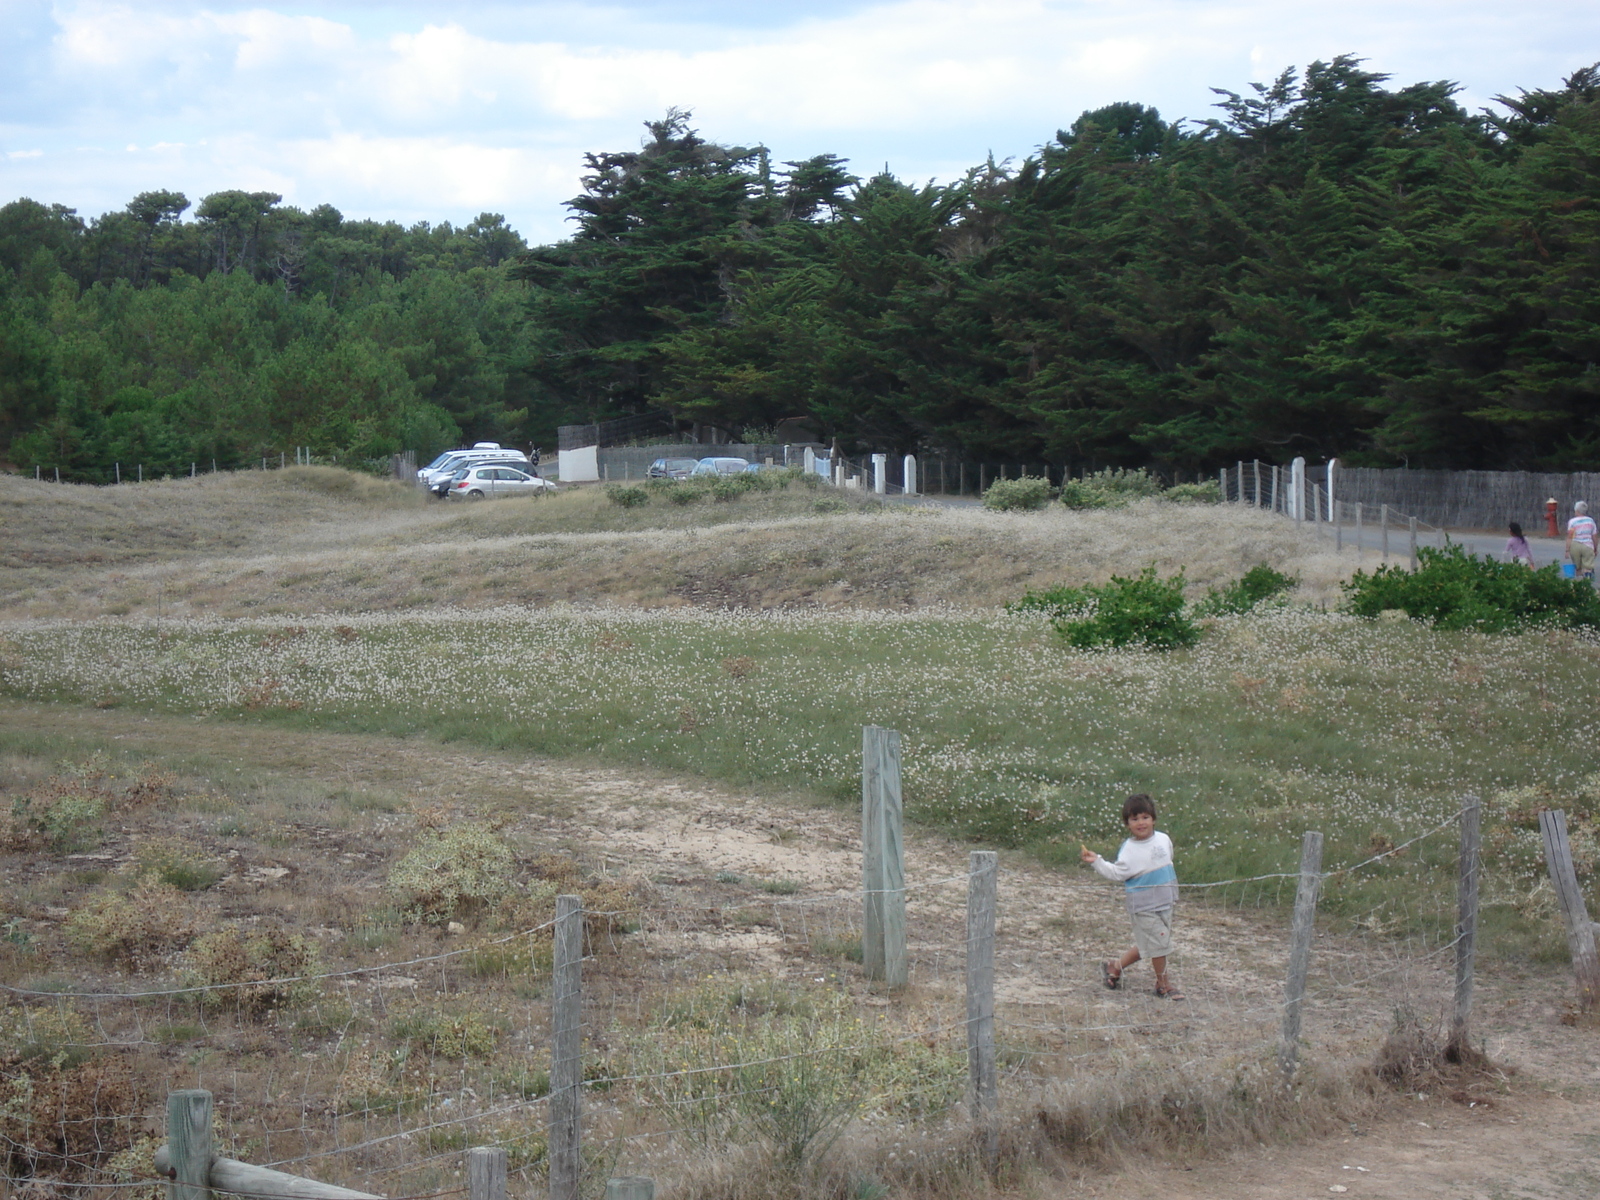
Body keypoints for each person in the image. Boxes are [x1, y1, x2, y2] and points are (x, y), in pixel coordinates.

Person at [1081, 793, 1183, 1000]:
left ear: (1153, 819)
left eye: (1145, 817)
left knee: (1152, 943)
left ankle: (1115, 967)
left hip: (1166, 900)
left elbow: (1167, 861)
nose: (1141, 823)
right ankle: (1163, 984)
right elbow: (1117, 873)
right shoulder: (1129, 849)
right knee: (1159, 942)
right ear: (1127, 824)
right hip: (1144, 905)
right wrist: (1097, 861)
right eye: (1134, 819)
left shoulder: (1163, 839)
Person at [1567, 501, 1598, 580]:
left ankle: (1579, 583)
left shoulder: (1572, 522)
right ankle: (1587, 582)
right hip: (1588, 545)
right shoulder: (1591, 521)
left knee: (1577, 567)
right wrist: (1595, 548)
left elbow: (1570, 536)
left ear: (1576, 511)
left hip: (1575, 545)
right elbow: (1594, 536)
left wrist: (1567, 550)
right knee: (1588, 566)